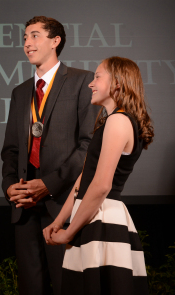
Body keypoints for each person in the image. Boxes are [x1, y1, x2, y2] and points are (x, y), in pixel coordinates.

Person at [1, 16, 98, 295]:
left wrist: (50, 184)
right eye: (24, 38)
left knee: (68, 285)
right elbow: (11, 150)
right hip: (25, 206)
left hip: (64, 203)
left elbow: (89, 145)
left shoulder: (81, 81)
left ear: (55, 41)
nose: (27, 44)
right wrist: (9, 186)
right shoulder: (20, 93)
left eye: (34, 36)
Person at [44, 56, 153, 294]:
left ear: (117, 83)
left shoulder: (118, 121)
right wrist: (60, 221)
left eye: (97, 77)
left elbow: (102, 185)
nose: (90, 84)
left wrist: (69, 233)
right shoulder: (112, 121)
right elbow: (83, 180)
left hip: (100, 218)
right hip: (92, 215)